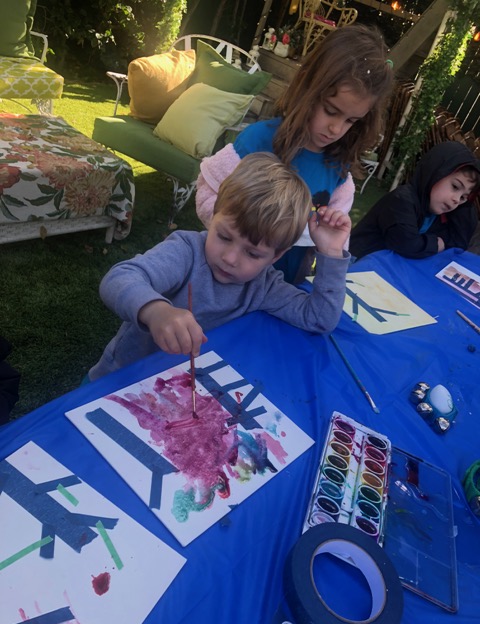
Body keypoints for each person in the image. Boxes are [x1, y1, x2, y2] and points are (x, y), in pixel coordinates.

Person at [88, 153, 351, 381]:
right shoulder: (187, 252)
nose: (230, 258)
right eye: (224, 237)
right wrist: (156, 311)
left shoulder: (264, 286)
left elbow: (319, 318)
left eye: (252, 253)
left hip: (186, 386)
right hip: (122, 376)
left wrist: (330, 253)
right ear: (214, 215)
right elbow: (120, 278)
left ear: (276, 256)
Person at [195, 24, 394, 283]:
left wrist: (331, 245)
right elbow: (207, 191)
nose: (336, 128)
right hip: (225, 275)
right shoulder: (258, 140)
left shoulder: (338, 169)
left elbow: (337, 238)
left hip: (286, 285)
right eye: (331, 111)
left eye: (351, 120)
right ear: (308, 88)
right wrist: (238, 235)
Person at [350, 141, 480, 260]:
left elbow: (457, 241)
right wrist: (436, 244)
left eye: (463, 197)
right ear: (435, 172)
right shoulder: (401, 200)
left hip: (383, 268)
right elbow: (407, 244)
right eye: (455, 187)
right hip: (354, 262)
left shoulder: (436, 213)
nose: (456, 200)